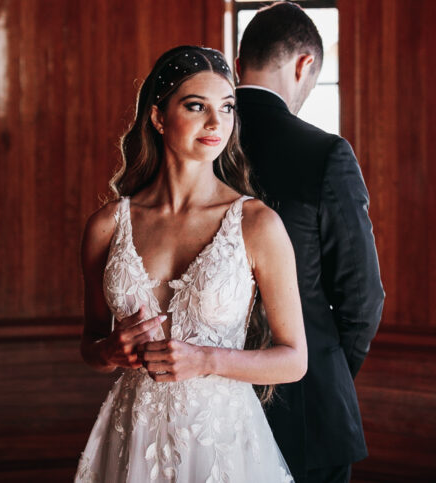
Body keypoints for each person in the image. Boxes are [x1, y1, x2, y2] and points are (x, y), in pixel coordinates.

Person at [75, 45, 307, 482]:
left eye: (227, 107)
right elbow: (91, 344)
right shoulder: (107, 226)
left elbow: (294, 360)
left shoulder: (257, 224)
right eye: (196, 106)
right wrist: (108, 350)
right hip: (133, 435)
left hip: (220, 442)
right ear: (159, 118)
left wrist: (207, 360)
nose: (216, 123)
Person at [236, 2, 385, 483]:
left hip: (203, 400)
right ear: (304, 65)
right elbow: (362, 300)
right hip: (308, 410)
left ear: (238, 66)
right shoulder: (325, 154)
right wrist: (323, 367)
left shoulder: (196, 147)